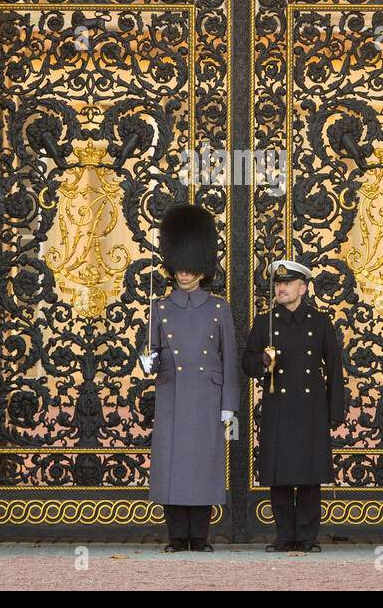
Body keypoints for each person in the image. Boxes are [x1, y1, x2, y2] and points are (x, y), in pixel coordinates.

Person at [139, 204, 238, 552]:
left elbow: (230, 361)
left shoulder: (218, 307)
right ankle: (176, 537)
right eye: (179, 267)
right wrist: (146, 362)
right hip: (173, 395)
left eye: (189, 267)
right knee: (172, 467)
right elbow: (150, 356)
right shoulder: (161, 308)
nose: (183, 273)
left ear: (201, 267)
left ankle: (200, 537)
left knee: (202, 467)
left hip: (207, 399)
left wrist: (230, 407)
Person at [241, 259, 345, 552]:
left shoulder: (320, 321)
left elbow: (334, 368)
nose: (281, 288)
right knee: (281, 475)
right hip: (279, 407)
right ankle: (285, 536)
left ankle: (308, 538)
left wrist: (335, 410)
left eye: (287, 284)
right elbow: (247, 362)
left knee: (310, 477)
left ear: (303, 288)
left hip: (312, 408)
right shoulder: (265, 322)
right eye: (278, 283)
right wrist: (262, 362)